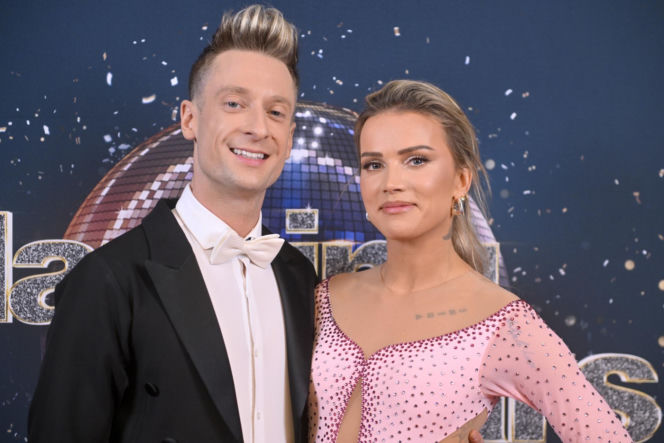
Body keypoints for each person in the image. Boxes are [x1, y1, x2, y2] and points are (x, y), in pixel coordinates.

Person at [28, 5, 318, 442]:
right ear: (189, 119)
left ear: (290, 137)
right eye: (234, 104)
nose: (258, 128)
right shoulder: (108, 281)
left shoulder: (299, 277)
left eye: (276, 112)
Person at [307, 80, 633, 442]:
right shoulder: (326, 298)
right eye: (373, 164)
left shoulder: (503, 323)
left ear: (461, 180)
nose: (391, 182)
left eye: (417, 160)